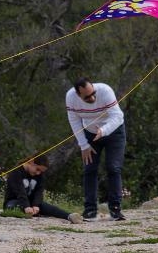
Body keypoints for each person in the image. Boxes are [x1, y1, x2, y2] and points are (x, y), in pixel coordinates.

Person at [65, 77, 127, 221]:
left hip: (113, 131)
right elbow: (74, 121)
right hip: (90, 134)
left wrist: (103, 131)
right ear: (78, 95)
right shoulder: (70, 98)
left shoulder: (105, 90)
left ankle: (115, 210)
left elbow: (117, 116)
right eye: (87, 97)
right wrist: (84, 145)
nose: (92, 98)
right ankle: (90, 211)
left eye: (93, 93)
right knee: (90, 169)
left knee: (113, 168)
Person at [3, 155, 83, 223]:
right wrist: (26, 206)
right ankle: (29, 212)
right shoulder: (15, 172)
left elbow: (39, 192)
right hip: (14, 201)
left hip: (30, 203)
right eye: (37, 169)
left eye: (41, 171)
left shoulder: (39, 175)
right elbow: (20, 192)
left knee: (46, 206)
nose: (38, 173)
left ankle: (69, 216)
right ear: (31, 162)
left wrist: (36, 205)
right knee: (13, 207)